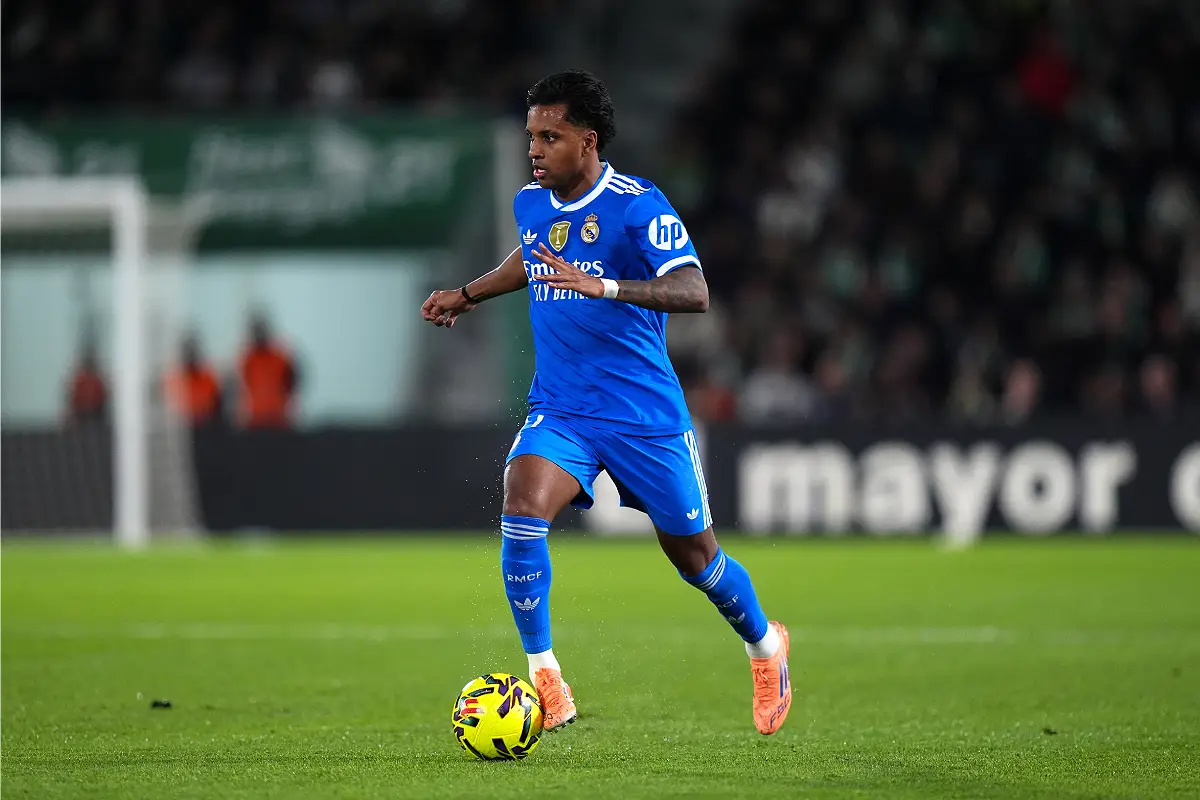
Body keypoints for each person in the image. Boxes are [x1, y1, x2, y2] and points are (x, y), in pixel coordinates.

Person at [420, 70, 791, 736]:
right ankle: (546, 676)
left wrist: (607, 287)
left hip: (643, 415)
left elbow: (694, 291)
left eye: (550, 137)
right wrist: (468, 294)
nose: (535, 149)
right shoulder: (532, 204)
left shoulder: (637, 205)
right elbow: (532, 259)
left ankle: (765, 647)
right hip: (562, 408)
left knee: (697, 562)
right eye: (532, 135)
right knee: (522, 499)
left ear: (587, 142)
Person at [238, 314, 299, 429]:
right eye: (256, 331)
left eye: (261, 330)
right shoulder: (247, 361)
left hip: (279, 419)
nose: (259, 334)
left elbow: (293, 384)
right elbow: (243, 387)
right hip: (255, 420)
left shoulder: (281, 359)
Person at [162, 334, 224, 427]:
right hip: (182, 428)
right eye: (188, 353)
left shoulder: (208, 379)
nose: (190, 357)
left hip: (205, 428)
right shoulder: (173, 381)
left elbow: (216, 406)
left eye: (192, 353)